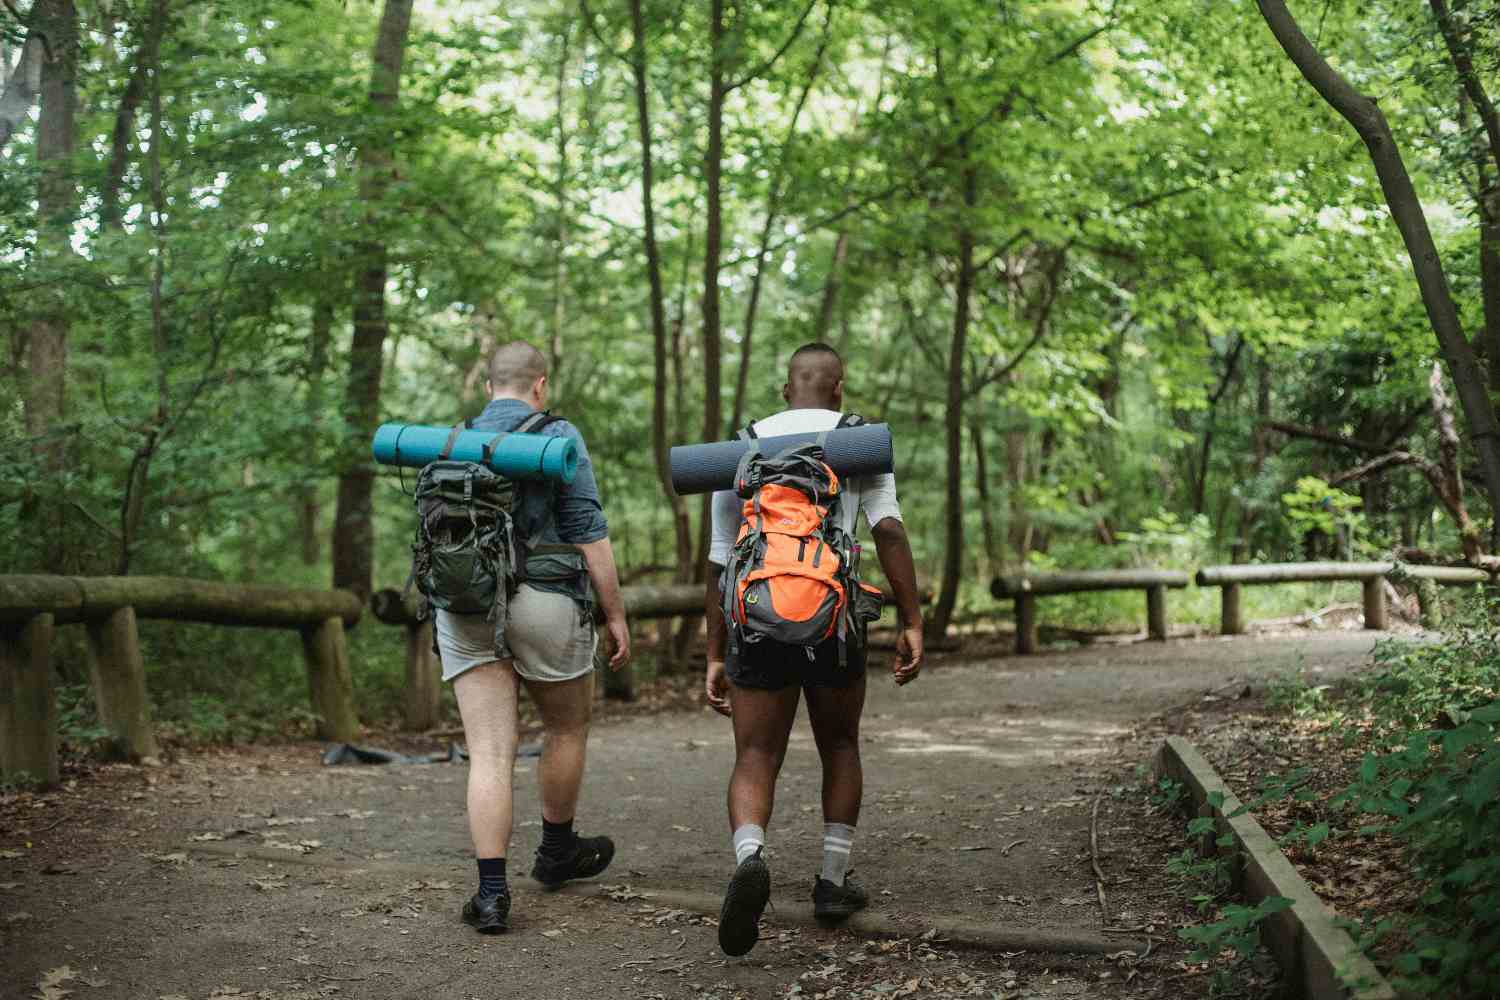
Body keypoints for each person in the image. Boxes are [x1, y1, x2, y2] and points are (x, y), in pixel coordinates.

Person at [704, 341, 925, 956]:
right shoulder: (859, 443)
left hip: (754, 620)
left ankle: (751, 855)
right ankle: (831, 881)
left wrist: (714, 653)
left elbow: (722, 559)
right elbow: (887, 530)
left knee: (754, 754)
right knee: (840, 744)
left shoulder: (741, 447)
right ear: (839, 388)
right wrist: (912, 618)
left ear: (786, 390)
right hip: (834, 622)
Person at [435, 341, 631, 934]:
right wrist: (615, 614)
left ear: (488, 385)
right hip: (545, 602)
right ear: (539, 385)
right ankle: (555, 851)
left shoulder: (453, 439)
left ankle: (492, 896)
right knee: (566, 726)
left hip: (466, 603)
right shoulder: (558, 435)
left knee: (489, 753)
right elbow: (588, 530)